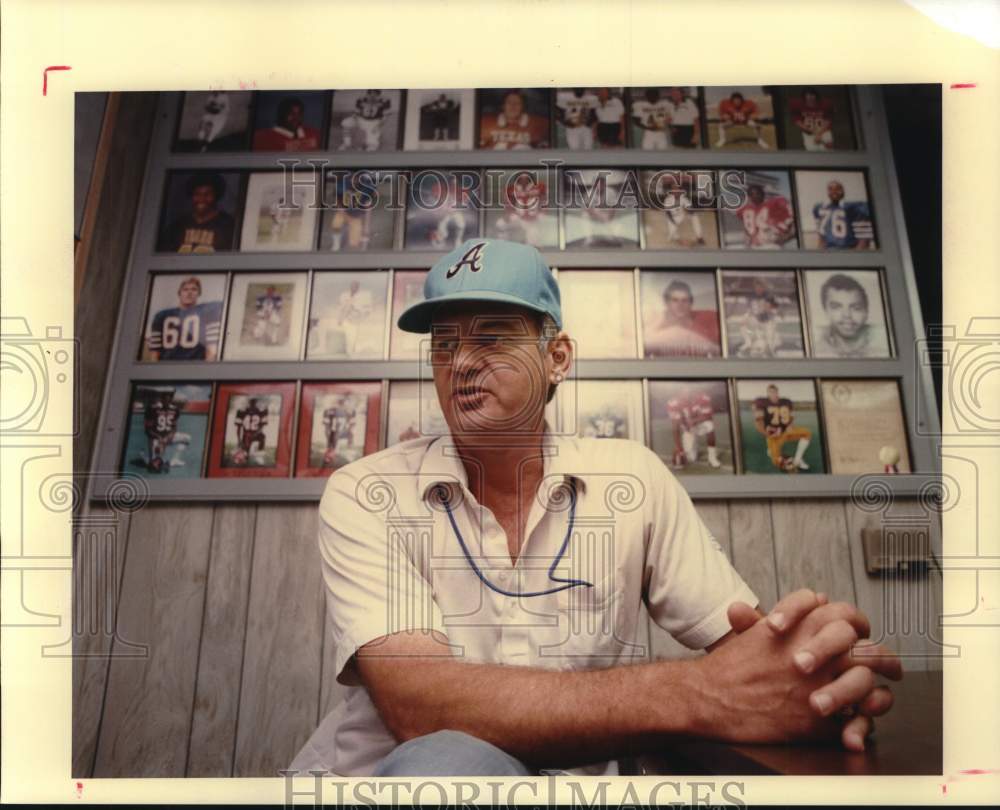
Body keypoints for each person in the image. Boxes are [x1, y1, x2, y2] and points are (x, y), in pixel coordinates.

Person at [289, 238, 901, 777]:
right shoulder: (367, 492)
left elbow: (745, 656)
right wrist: (704, 695)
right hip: (392, 779)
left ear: (556, 357)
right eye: (444, 346)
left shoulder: (631, 477)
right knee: (448, 761)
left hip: (575, 780)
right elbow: (422, 707)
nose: (461, 364)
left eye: (492, 338)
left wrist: (813, 680)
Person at [145, 276, 222, 361]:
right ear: (179, 293)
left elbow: (211, 349)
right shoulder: (162, 316)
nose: (189, 292)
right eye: (185, 289)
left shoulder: (207, 312)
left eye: (194, 289)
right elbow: (155, 353)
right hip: (167, 368)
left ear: (199, 293)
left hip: (195, 368)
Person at [158, 172, 235, 254]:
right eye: (197, 194)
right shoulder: (177, 226)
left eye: (207, 194)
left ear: (216, 196)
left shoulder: (229, 226)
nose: (201, 198)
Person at [644, 279, 720, 357]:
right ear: (666, 303)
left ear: (691, 303)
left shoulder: (708, 318)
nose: (680, 305)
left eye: (685, 300)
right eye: (675, 300)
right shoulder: (654, 323)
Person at [752, 384, 813, 472]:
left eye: (774, 392)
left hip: (785, 431)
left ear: (777, 392)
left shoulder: (786, 401)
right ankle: (772, 450)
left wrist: (789, 425)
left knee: (807, 433)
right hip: (774, 435)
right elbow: (758, 424)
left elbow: (790, 417)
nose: (773, 394)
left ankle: (798, 459)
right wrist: (768, 434)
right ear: (767, 394)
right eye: (770, 392)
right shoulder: (761, 402)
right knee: (777, 462)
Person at [816, 273, 878, 357]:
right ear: (826, 311)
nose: (847, 315)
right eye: (836, 307)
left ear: (866, 312)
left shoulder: (882, 341)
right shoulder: (816, 347)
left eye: (856, 308)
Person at [666, 387, 721, 470]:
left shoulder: (702, 397)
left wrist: (694, 421)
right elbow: (675, 426)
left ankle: (712, 457)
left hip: (700, 425)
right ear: (679, 392)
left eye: (690, 391)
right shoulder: (673, 403)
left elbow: (708, 416)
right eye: (684, 392)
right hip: (688, 429)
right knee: (691, 458)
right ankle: (690, 447)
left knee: (710, 425)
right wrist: (679, 447)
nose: (687, 394)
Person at [812, 180, 874, 249]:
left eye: (837, 189)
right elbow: (821, 237)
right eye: (831, 189)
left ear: (843, 190)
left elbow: (864, 239)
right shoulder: (820, 208)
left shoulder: (857, 207)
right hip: (829, 251)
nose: (834, 191)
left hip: (848, 249)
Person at [734, 182, 795, 249]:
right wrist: (748, 237)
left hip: (772, 244)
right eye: (752, 194)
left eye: (757, 193)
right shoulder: (746, 210)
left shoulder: (772, 204)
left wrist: (785, 236)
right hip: (754, 245)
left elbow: (791, 220)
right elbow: (746, 225)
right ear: (749, 196)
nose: (755, 196)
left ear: (763, 194)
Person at [479, 90, 546, 150]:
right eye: (509, 102)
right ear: (503, 106)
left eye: (517, 103)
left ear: (523, 107)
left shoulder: (538, 124)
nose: (513, 106)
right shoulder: (486, 123)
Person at [252, 96, 320, 151]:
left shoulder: (315, 134)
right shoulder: (261, 138)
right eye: (291, 113)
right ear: (281, 115)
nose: (296, 118)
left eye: (299, 114)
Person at [735, 280, 781, 357]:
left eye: (760, 287)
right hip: (756, 320)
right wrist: (745, 317)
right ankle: (748, 343)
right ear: (755, 288)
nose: (759, 289)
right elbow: (749, 310)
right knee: (743, 324)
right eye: (757, 287)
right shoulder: (751, 297)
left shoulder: (769, 296)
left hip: (767, 320)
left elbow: (775, 309)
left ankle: (770, 349)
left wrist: (770, 308)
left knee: (770, 331)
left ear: (763, 288)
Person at [233, 397, 268, 465]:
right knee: (240, 459)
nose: (253, 403)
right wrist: (239, 440)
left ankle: (257, 455)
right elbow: (239, 429)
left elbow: (261, 428)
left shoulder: (243, 411)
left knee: (262, 437)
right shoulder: (260, 411)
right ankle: (244, 454)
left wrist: (240, 440)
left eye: (253, 402)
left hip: (255, 435)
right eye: (252, 402)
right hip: (247, 435)